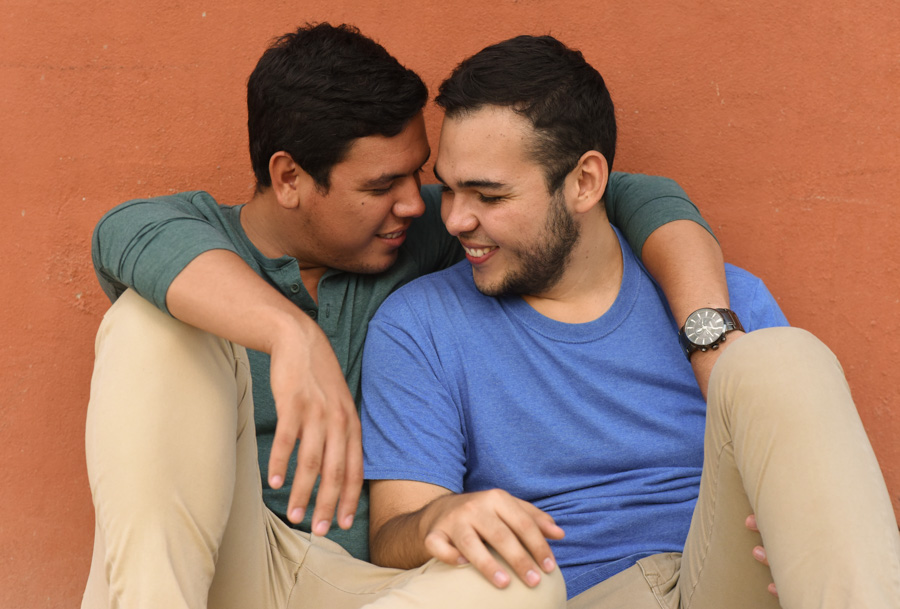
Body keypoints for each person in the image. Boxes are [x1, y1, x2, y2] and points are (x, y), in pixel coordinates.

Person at [82, 23, 735, 609]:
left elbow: (616, 194)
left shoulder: (424, 234)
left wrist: (711, 341)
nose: (418, 205)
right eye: (379, 187)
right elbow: (124, 232)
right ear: (288, 178)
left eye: (415, 176)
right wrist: (289, 332)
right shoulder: (189, 232)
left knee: (515, 580)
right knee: (149, 321)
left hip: (361, 588)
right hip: (230, 564)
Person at [360, 35, 900, 609]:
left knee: (785, 357)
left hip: (721, 576)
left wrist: (803, 529)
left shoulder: (723, 301)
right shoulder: (419, 323)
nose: (455, 219)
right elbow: (392, 537)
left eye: (489, 196)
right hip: (560, 589)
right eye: (449, 189)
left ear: (585, 182)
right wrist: (439, 518)